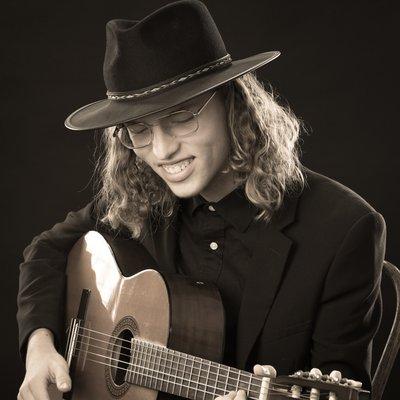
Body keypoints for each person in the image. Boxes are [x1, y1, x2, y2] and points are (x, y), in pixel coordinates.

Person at [16, 1, 386, 400]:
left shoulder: (344, 229)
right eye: (138, 130)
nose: (161, 151)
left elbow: (339, 384)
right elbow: (47, 250)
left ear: (234, 102)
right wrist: (39, 347)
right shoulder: (140, 201)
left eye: (180, 117)